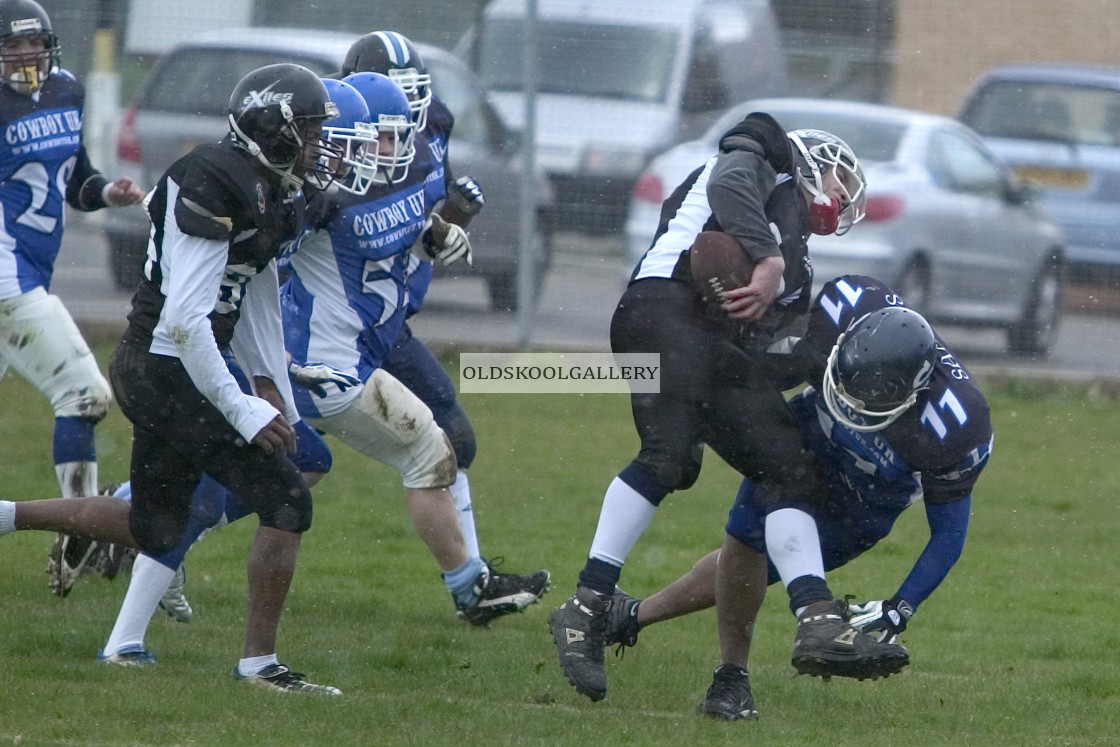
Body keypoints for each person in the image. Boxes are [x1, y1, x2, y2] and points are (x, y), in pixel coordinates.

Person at [2, 62, 346, 694]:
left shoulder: (274, 185)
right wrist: (243, 409)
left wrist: (272, 384)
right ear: (274, 127)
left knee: (152, 527)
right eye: (313, 129)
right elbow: (188, 323)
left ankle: (4, 516)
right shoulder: (214, 180)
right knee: (287, 501)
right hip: (166, 366)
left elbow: (257, 289)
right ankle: (260, 666)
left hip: (169, 368)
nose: (323, 144)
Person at [548, 114, 907, 703]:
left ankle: (815, 617)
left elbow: (762, 364)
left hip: (697, 342)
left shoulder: (799, 268)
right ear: (812, 161)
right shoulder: (764, 157)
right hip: (661, 305)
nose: (842, 196)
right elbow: (726, 187)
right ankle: (587, 607)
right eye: (840, 179)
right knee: (671, 457)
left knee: (777, 464)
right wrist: (767, 260)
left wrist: (825, 359)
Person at [601, 275, 994, 720]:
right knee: (746, 541)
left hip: (869, 498)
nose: (849, 403)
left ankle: (630, 617)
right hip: (806, 439)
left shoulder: (956, 426)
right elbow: (772, 364)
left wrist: (899, 608)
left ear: (914, 391)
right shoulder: (840, 313)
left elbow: (949, 533)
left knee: (764, 565)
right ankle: (732, 674)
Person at [282, 69, 549, 627]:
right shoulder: (315, 199)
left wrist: (441, 232)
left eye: (399, 133)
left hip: (368, 341)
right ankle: (469, 587)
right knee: (426, 450)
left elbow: (405, 244)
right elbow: (264, 271)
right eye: (376, 138)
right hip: (326, 361)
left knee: (279, 472)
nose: (394, 147)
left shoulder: (415, 164)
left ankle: (143, 530)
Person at [340, 30, 499, 585]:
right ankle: (139, 522)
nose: (407, 112)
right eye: (394, 96)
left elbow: (422, 220)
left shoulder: (432, 127)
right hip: (327, 332)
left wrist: (451, 220)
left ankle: (473, 582)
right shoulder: (338, 157)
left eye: (415, 95)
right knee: (283, 464)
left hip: (387, 323)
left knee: (454, 439)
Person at [0, 0, 145, 596]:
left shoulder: (65, 89)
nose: (27, 56)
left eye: (35, 45)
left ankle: (80, 529)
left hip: (30, 267)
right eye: (13, 47)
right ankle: (82, 526)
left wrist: (108, 191)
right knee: (83, 394)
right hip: (8, 277)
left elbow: (74, 181)